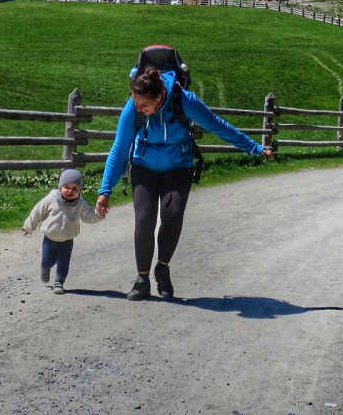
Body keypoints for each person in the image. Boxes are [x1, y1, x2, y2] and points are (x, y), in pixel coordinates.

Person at [96, 65, 274, 301]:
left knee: (173, 214)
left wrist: (254, 147)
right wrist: (104, 190)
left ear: (159, 97)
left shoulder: (184, 100)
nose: (137, 108)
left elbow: (217, 125)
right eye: (135, 102)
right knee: (144, 217)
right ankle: (142, 279)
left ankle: (162, 268)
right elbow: (119, 148)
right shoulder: (133, 107)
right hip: (143, 164)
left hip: (178, 165)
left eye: (143, 105)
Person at [23, 168, 104, 294]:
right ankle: (45, 269)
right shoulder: (51, 199)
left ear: (80, 191)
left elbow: (89, 216)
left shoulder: (81, 204)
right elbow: (37, 212)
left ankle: (58, 283)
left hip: (67, 241)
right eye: (67, 187)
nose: (70, 191)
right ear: (60, 187)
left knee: (63, 264)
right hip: (49, 239)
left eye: (75, 188)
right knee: (47, 261)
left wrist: (99, 214)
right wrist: (29, 226)